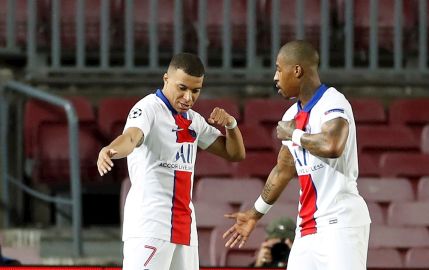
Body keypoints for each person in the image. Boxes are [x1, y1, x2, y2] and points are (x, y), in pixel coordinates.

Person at [223, 40, 371, 270]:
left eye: (279, 69)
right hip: (306, 229)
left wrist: (295, 133)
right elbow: (283, 170)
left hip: (340, 222)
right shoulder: (292, 113)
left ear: (297, 70)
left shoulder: (333, 102)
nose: (275, 77)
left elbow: (333, 145)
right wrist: (255, 214)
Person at [96, 52, 245, 270]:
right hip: (150, 223)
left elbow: (235, 154)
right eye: (182, 88)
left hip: (185, 226)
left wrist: (231, 125)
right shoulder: (148, 109)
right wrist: (111, 149)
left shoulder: (194, 120)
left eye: (196, 91)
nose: (188, 98)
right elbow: (131, 137)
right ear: (166, 79)